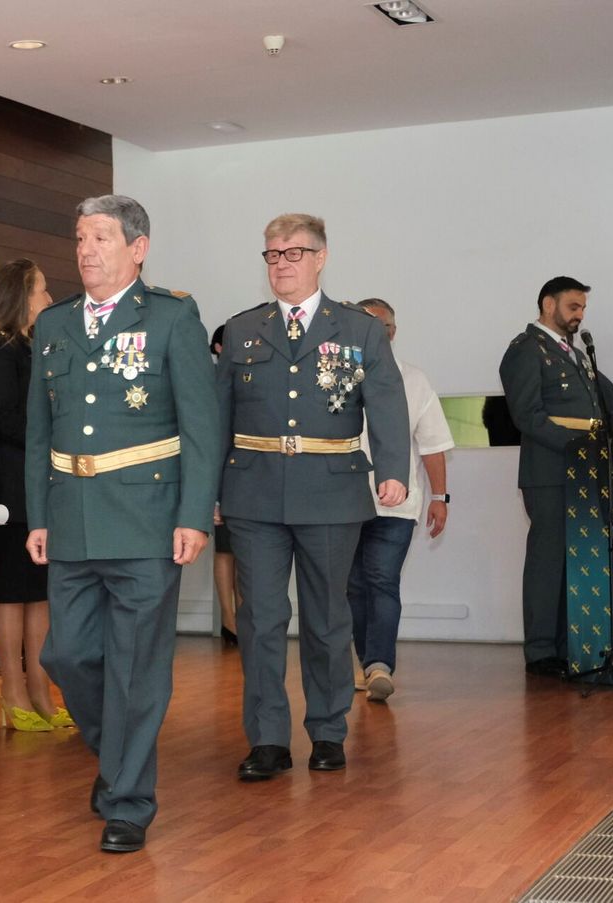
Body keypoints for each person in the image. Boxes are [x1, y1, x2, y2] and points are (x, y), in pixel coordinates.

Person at [25, 195, 220, 853]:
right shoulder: (53, 323)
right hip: (71, 517)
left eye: (101, 237)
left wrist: (194, 515)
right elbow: (38, 429)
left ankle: (129, 800)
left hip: (146, 520)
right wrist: (38, 514)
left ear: (138, 248)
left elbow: (201, 426)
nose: (86, 250)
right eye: (81, 237)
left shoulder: (171, 317)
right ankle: (118, 754)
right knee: (66, 654)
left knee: (136, 665)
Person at [217, 213, 410, 784]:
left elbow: (387, 403)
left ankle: (327, 731)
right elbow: (217, 416)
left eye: (293, 253)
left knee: (327, 618)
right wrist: (209, 491)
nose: (281, 264)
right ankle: (268, 739)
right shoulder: (242, 329)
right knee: (260, 620)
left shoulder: (359, 329)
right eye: (272, 254)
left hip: (331, 490)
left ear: (320, 258)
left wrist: (393, 471)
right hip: (254, 492)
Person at [498, 276, 613, 677]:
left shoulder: (577, 353)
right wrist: (579, 446)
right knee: (548, 559)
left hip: (584, 470)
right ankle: (540, 651)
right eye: (573, 306)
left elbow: (606, 403)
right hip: (551, 471)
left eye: (583, 308)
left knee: (576, 560)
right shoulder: (526, 350)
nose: (580, 315)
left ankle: (568, 646)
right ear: (548, 304)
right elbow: (528, 416)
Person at [0, 258, 72, 731]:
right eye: (42, 290)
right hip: (8, 486)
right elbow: (5, 417)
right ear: (20, 296)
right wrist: (57, 433)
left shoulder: (35, 345)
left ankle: (40, 688)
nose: (49, 299)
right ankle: (11, 690)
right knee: (9, 590)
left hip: (42, 485)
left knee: (39, 591)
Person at [346, 298, 455, 702]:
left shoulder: (414, 380)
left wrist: (440, 497)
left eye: (382, 326)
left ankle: (379, 665)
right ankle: (366, 662)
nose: (375, 332)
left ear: (393, 332)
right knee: (353, 586)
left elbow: (433, 445)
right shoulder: (334, 376)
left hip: (396, 503)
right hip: (341, 503)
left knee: (381, 580)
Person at [209, 324, 242, 647]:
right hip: (221, 475)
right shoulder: (211, 379)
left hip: (247, 476)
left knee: (245, 553)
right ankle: (228, 619)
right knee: (225, 550)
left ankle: (243, 617)